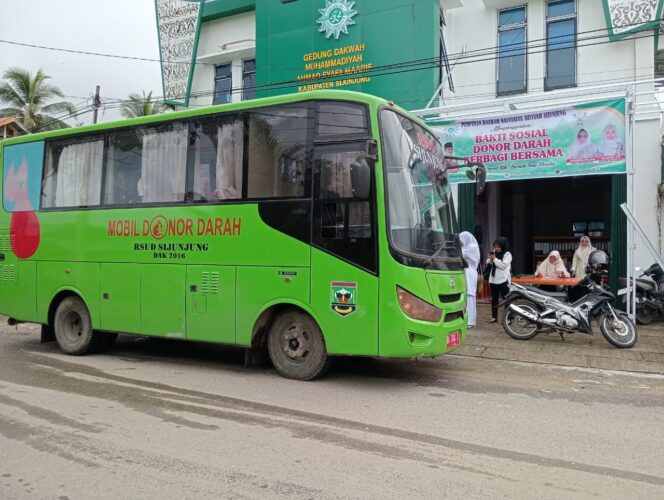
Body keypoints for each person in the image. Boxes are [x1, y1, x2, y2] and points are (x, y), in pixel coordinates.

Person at [487, 236, 512, 323]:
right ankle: (494, 317)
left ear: (503, 245)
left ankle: (508, 318)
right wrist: (490, 259)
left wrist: (494, 259)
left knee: (506, 299)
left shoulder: (507, 254)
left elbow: (503, 266)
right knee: (494, 298)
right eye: (495, 246)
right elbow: (488, 262)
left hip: (503, 279)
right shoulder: (494, 253)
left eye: (498, 246)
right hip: (493, 279)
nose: (496, 248)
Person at [460, 231, 480, 329]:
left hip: (469, 272)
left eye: (461, 240)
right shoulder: (468, 247)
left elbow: (460, 253)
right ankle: (467, 319)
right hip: (466, 272)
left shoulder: (471, 247)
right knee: (467, 295)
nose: (461, 243)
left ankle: (470, 321)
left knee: (470, 295)